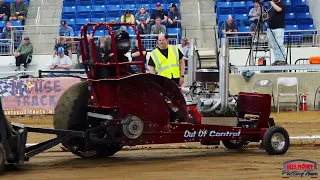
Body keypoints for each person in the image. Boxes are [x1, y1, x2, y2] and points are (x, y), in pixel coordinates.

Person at [148, 34, 186, 122]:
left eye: (163, 40)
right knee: (164, 101)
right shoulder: (153, 54)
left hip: (175, 78)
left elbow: (182, 62)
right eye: (160, 40)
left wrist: (182, 76)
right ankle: (171, 118)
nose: (161, 42)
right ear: (157, 41)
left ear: (167, 40)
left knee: (177, 100)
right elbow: (151, 69)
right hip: (162, 81)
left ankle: (181, 117)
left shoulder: (175, 49)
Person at [266, 0, 287, 66]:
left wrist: (272, 3)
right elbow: (269, 15)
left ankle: (283, 59)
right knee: (274, 45)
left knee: (279, 43)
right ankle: (277, 59)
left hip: (279, 28)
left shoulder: (282, 4)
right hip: (270, 28)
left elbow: (279, 9)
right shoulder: (270, 6)